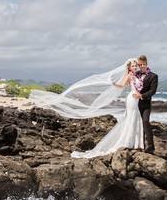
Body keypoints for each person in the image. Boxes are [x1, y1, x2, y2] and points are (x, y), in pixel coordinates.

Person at [28, 55, 156, 158]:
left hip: (138, 99)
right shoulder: (129, 76)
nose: (135, 67)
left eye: (136, 65)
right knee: (131, 118)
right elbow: (122, 85)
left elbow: (145, 86)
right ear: (129, 68)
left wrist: (141, 94)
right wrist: (113, 83)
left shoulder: (140, 75)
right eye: (133, 66)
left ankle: (138, 143)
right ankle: (129, 141)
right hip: (132, 99)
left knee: (137, 119)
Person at [132, 55, 158, 153]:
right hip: (134, 104)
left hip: (145, 103)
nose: (141, 66)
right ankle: (139, 145)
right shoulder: (135, 74)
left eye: (143, 64)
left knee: (145, 122)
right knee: (136, 124)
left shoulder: (153, 76)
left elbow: (153, 91)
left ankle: (151, 147)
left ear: (146, 64)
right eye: (140, 65)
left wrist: (141, 96)